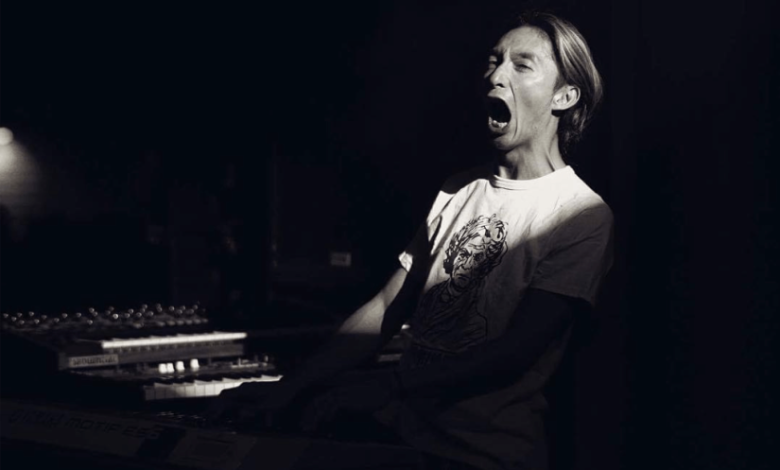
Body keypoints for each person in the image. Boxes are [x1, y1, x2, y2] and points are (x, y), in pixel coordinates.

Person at [209, 11, 613, 470]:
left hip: (484, 458)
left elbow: (514, 353)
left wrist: (388, 386)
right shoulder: (458, 189)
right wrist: (291, 388)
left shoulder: (582, 214)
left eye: (522, 65)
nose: (496, 75)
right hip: (404, 443)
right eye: (494, 61)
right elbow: (386, 307)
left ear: (564, 96)